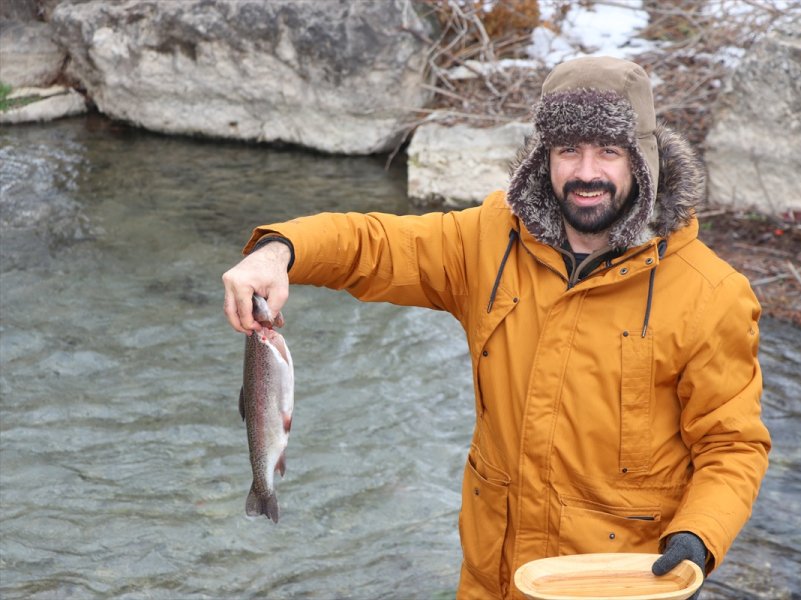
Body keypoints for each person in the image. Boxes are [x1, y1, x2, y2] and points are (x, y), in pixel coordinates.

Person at [222, 56, 771, 599]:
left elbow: (733, 447)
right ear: (543, 158)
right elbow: (374, 244)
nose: (586, 172)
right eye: (567, 150)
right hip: (491, 579)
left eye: (609, 150)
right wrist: (279, 251)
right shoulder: (488, 240)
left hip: (617, 585)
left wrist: (699, 537)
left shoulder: (712, 294)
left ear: (642, 159)